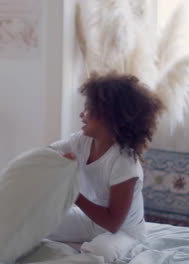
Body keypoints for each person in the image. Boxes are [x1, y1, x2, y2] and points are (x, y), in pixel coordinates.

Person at [48, 72, 164, 262]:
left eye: (87, 109)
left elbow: (112, 223)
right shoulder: (82, 140)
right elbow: (47, 153)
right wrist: (53, 160)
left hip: (124, 231)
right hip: (90, 222)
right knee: (41, 223)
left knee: (102, 251)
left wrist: (73, 192)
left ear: (108, 117)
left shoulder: (124, 163)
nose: (81, 114)